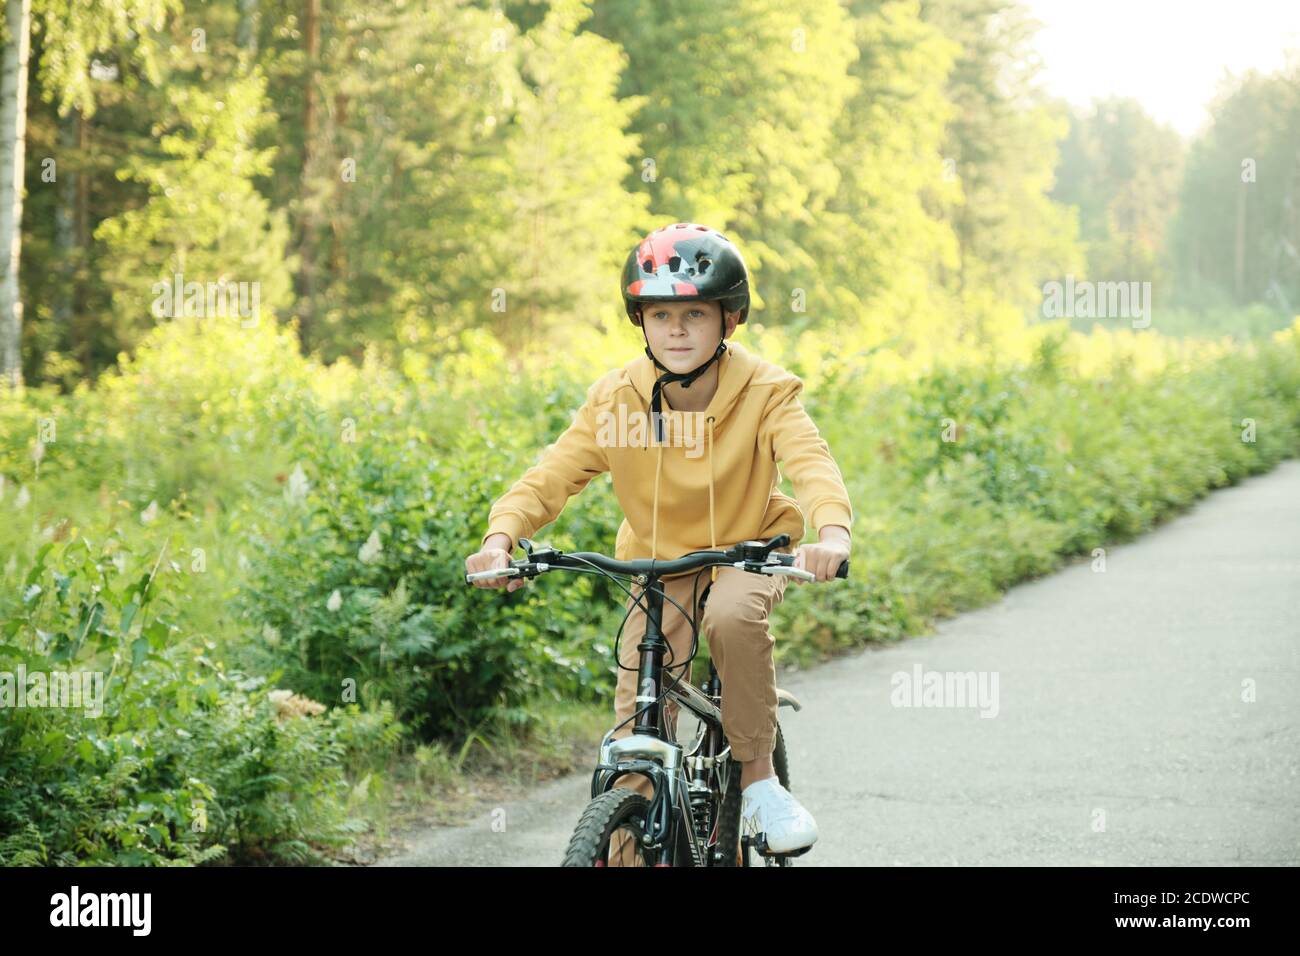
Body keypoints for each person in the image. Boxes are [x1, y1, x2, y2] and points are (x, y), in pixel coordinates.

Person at [464, 222, 853, 863]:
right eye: (660, 314)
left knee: (731, 616)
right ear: (640, 321)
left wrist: (831, 533)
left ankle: (759, 784)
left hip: (749, 549)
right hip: (660, 563)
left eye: (694, 313)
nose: (676, 330)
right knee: (636, 714)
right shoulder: (616, 398)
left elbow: (811, 463)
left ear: (728, 319)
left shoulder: (766, 391)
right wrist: (501, 538)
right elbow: (550, 477)